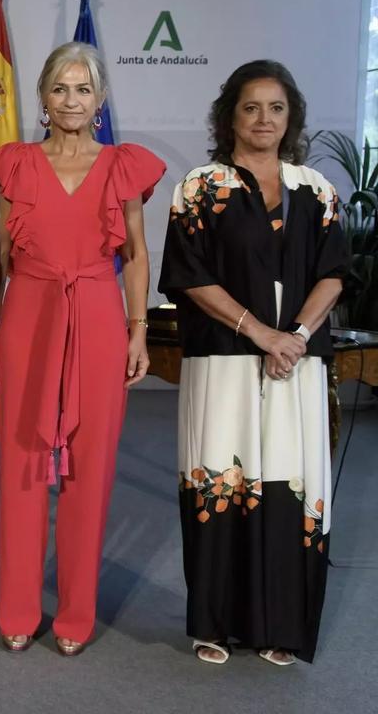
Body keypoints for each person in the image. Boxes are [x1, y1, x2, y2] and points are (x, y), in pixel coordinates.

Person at [158, 60, 346, 666]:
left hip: (296, 363)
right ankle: (214, 624)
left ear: (291, 118)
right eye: (251, 107)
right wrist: (260, 332)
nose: (264, 119)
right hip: (225, 361)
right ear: (229, 116)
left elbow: (334, 274)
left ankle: (279, 627)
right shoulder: (200, 187)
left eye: (276, 108)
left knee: (291, 481)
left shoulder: (317, 190)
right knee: (222, 481)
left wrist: (292, 336)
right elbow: (189, 278)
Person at [0, 42, 163, 656]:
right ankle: (18, 610)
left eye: (83, 89)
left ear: (101, 99)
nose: (71, 100)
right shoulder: (14, 165)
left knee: (90, 467)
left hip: (99, 316)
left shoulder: (121, 167)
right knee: (23, 462)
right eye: (60, 88)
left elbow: (135, 255)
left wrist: (139, 328)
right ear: (42, 97)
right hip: (29, 313)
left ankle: (76, 616)